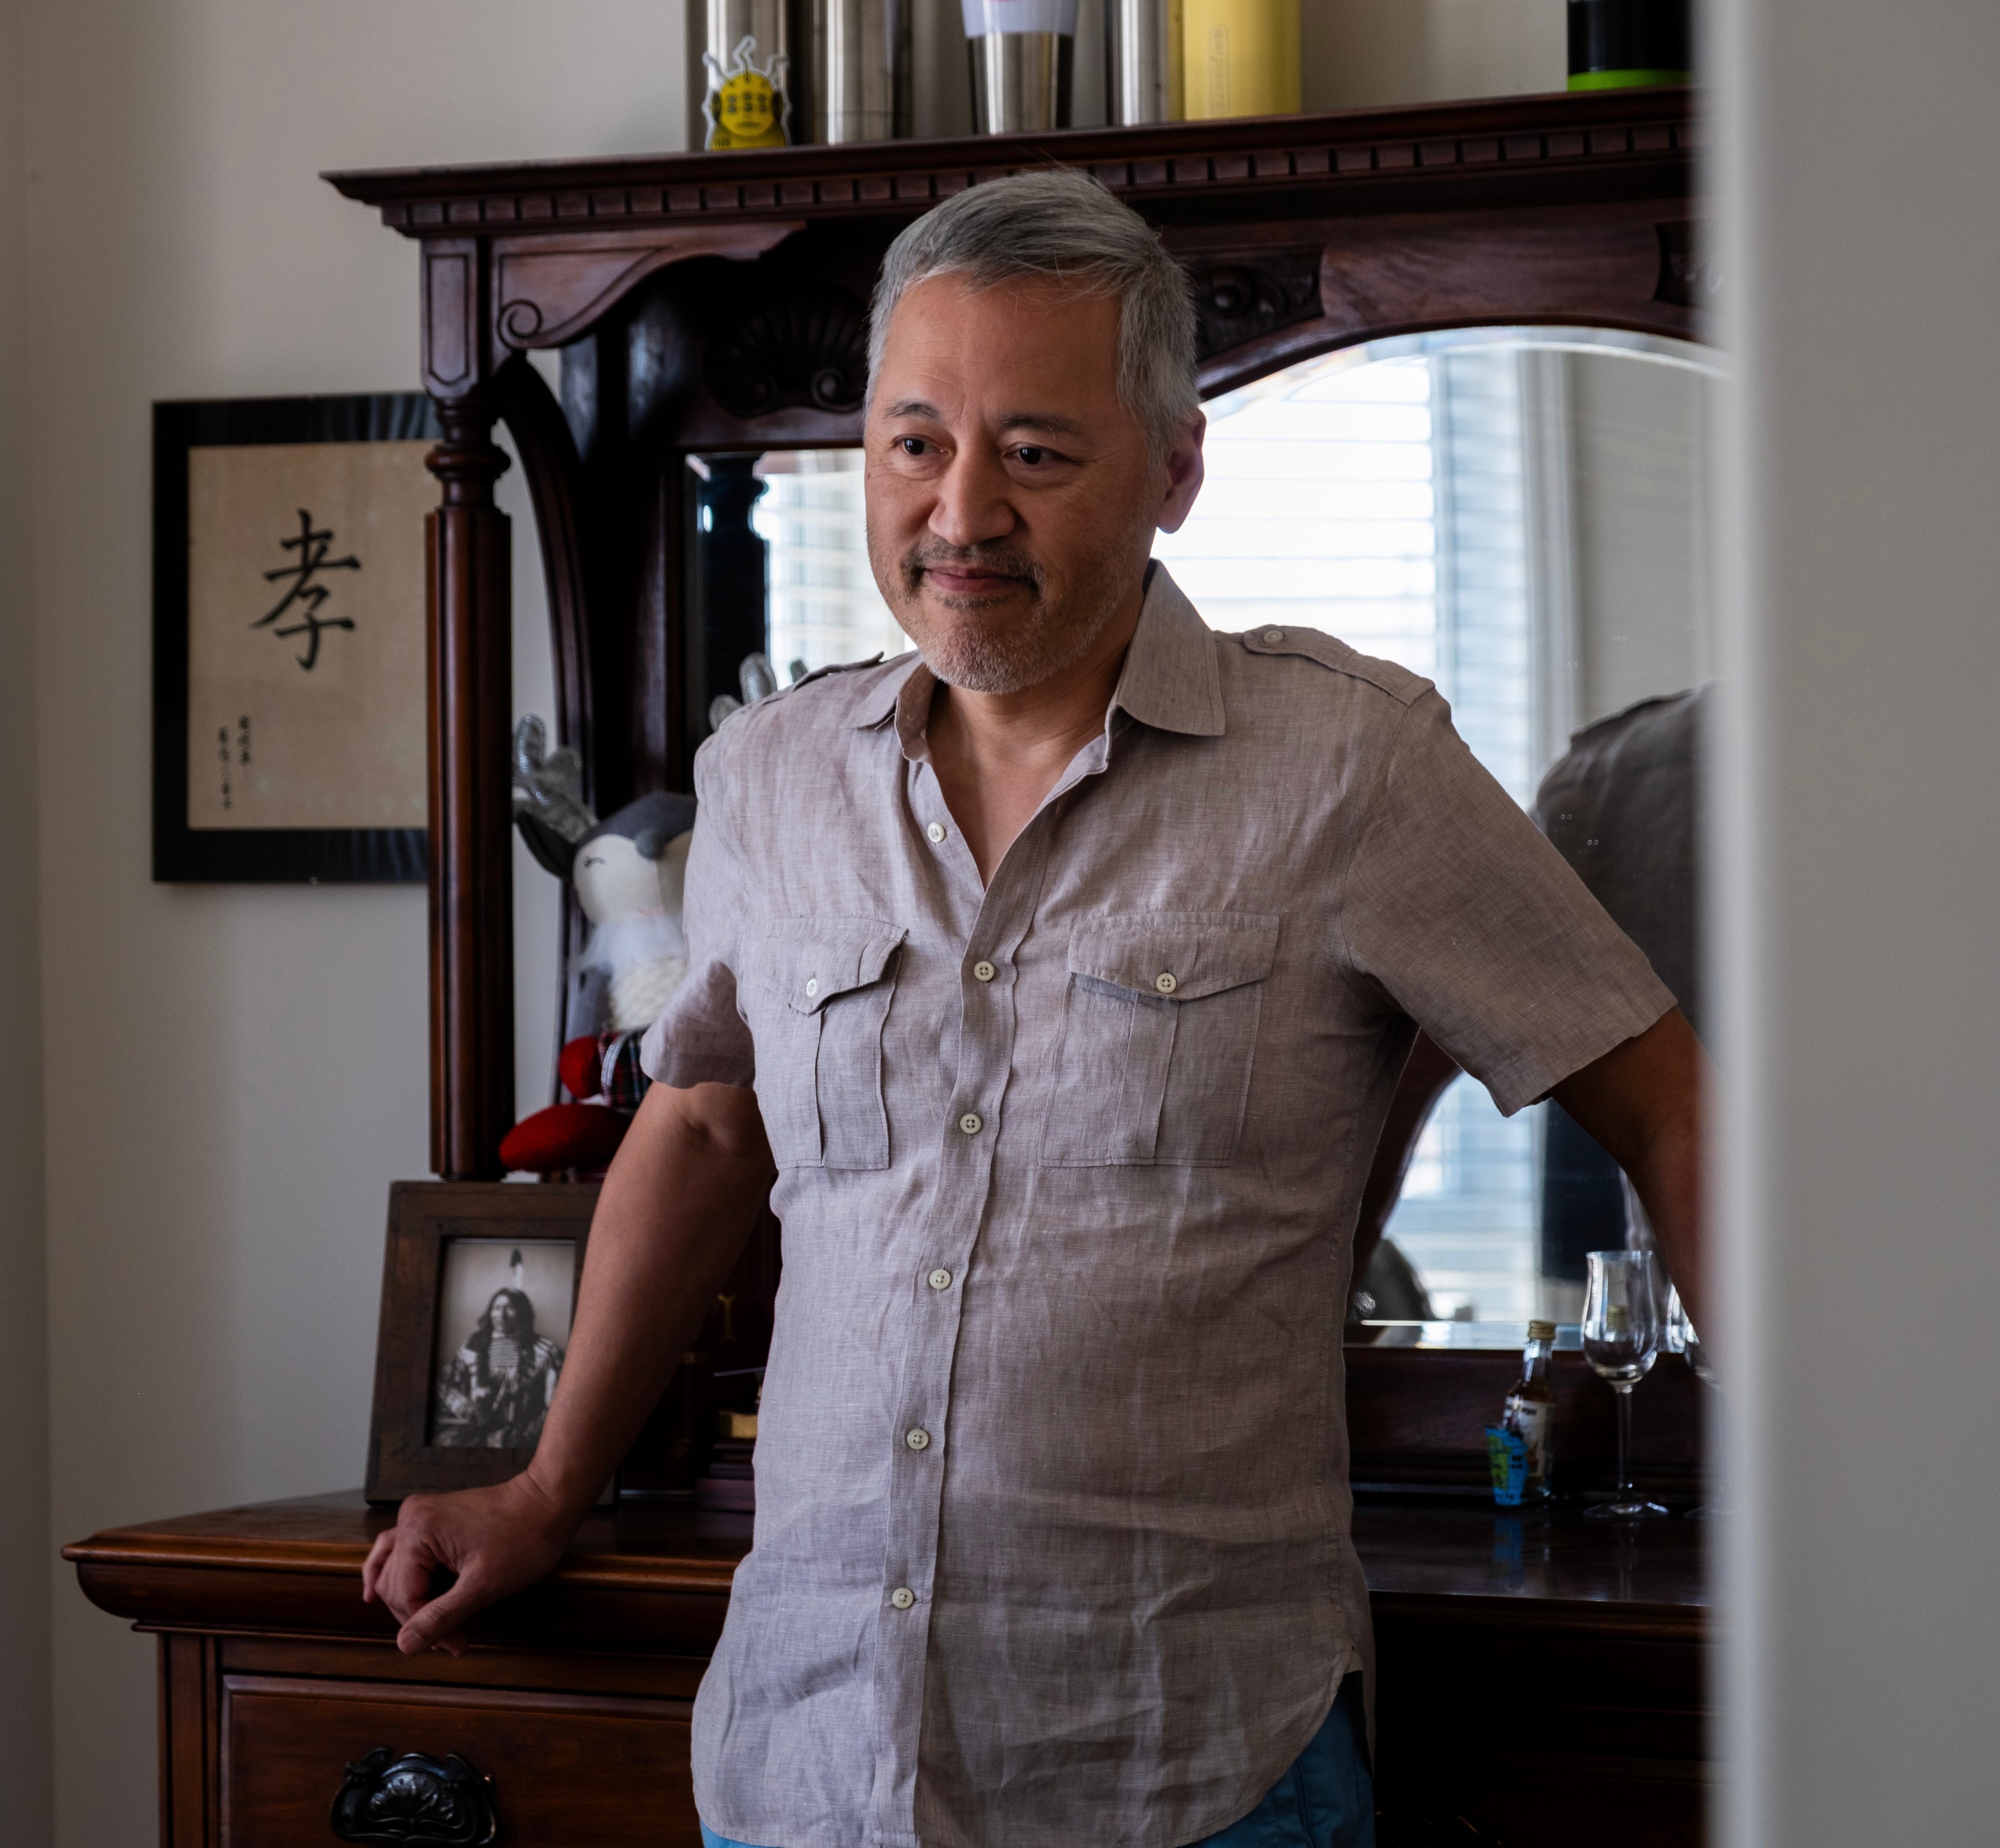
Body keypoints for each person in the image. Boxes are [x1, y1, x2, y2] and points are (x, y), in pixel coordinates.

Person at [364, 169, 1707, 1848]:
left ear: (1174, 471)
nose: (961, 513)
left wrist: (1804, 1469)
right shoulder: (769, 779)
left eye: (1037, 451)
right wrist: (549, 1483)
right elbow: (703, 1122)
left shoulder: (1349, 765)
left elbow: (1662, 1094)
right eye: (914, 441)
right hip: (805, 1760)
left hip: (1185, 1763)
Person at [432, 1288, 564, 1450]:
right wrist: (468, 1408)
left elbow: (555, 1406)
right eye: (496, 1308)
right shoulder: (473, 1347)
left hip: (523, 1435)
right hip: (476, 1430)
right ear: (490, 1312)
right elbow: (445, 1385)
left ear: (522, 1313)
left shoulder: (546, 1352)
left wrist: (527, 1433)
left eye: (509, 1308)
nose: (501, 1315)